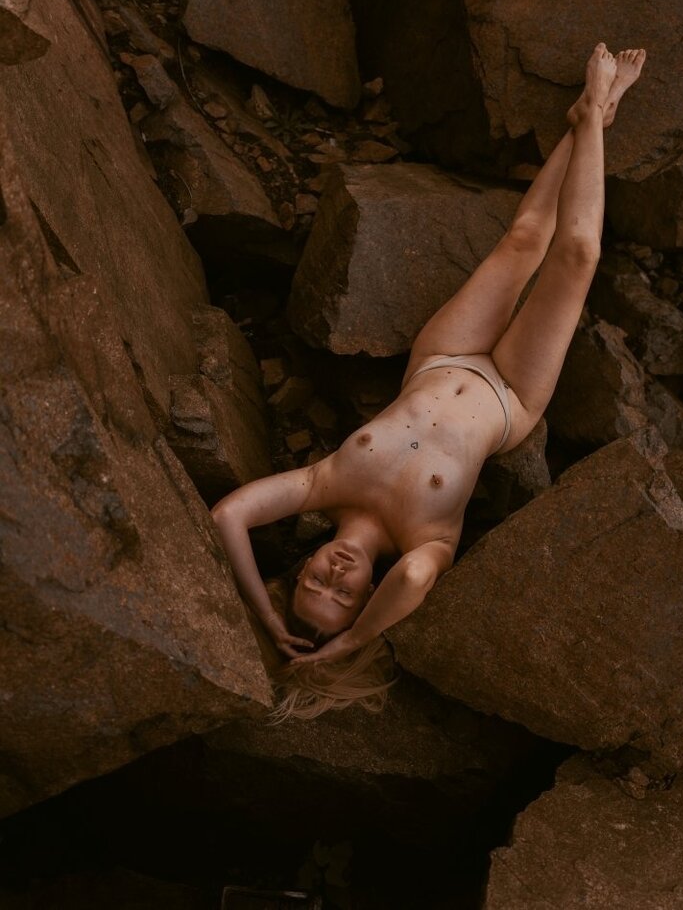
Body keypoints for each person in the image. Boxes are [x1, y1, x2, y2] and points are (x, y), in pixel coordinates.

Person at [211, 43, 646, 719]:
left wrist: (266, 617)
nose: (332, 577)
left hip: (442, 358)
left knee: (523, 238)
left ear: (302, 566)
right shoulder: (426, 545)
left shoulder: (323, 484)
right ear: (366, 596)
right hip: (509, 397)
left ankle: (586, 118)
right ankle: (596, 112)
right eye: (342, 597)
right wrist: (354, 640)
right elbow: (412, 580)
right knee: (577, 255)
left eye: (312, 585)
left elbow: (227, 516)